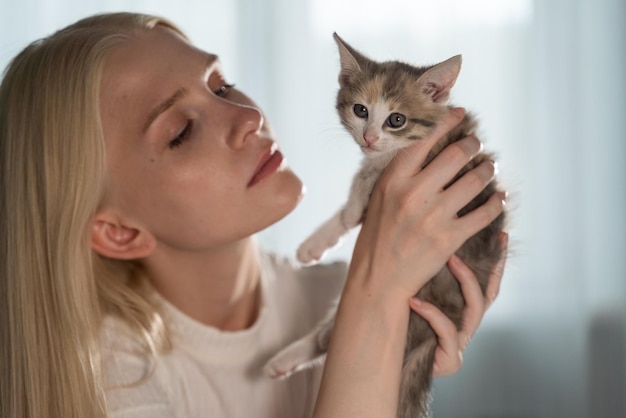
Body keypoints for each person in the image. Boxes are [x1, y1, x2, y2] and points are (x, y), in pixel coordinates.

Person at [0, 12, 507, 418]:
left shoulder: (343, 295)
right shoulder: (106, 378)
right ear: (118, 231)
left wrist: (399, 360)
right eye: (180, 131)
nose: (249, 117)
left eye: (221, 86)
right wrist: (375, 305)